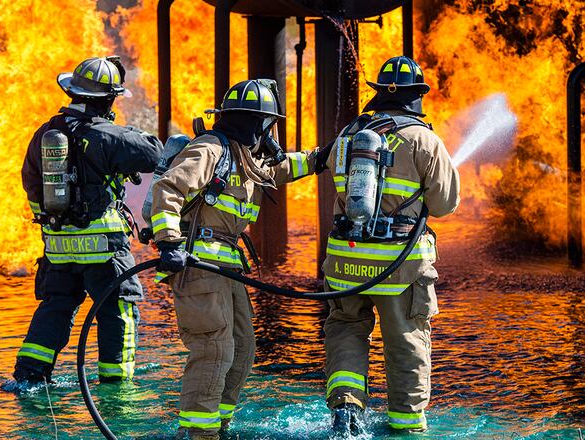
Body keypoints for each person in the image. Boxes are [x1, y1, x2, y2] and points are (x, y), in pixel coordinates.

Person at [150, 79, 328, 440]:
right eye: (267, 124)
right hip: (197, 265)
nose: (269, 133)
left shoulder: (241, 155)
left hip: (226, 266)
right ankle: (199, 433)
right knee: (214, 347)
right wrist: (169, 242)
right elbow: (167, 188)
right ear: (255, 122)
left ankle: (219, 424)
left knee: (243, 347)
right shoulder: (210, 150)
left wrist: (318, 159)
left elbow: (273, 172)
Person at [320, 56, 460, 433]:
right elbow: (445, 204)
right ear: (417, 97)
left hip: (346, 261)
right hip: (399, 264)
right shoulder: (423, 139)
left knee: (346, 329)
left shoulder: (349, 135)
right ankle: (406, 423)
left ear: (379, 94)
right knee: (406, 341)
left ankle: (346, 410)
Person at [14, 56, 163, 386]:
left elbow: (30, 180)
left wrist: (52, 219)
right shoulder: (106, 135)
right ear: (108, 98)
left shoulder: (45, 134)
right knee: (118, 307)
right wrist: (127, 128)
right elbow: (154, 152)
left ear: (73, 93)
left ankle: (30, 376)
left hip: (57, 247)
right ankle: (115, 388)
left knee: (57, 305)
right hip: (103, 248)